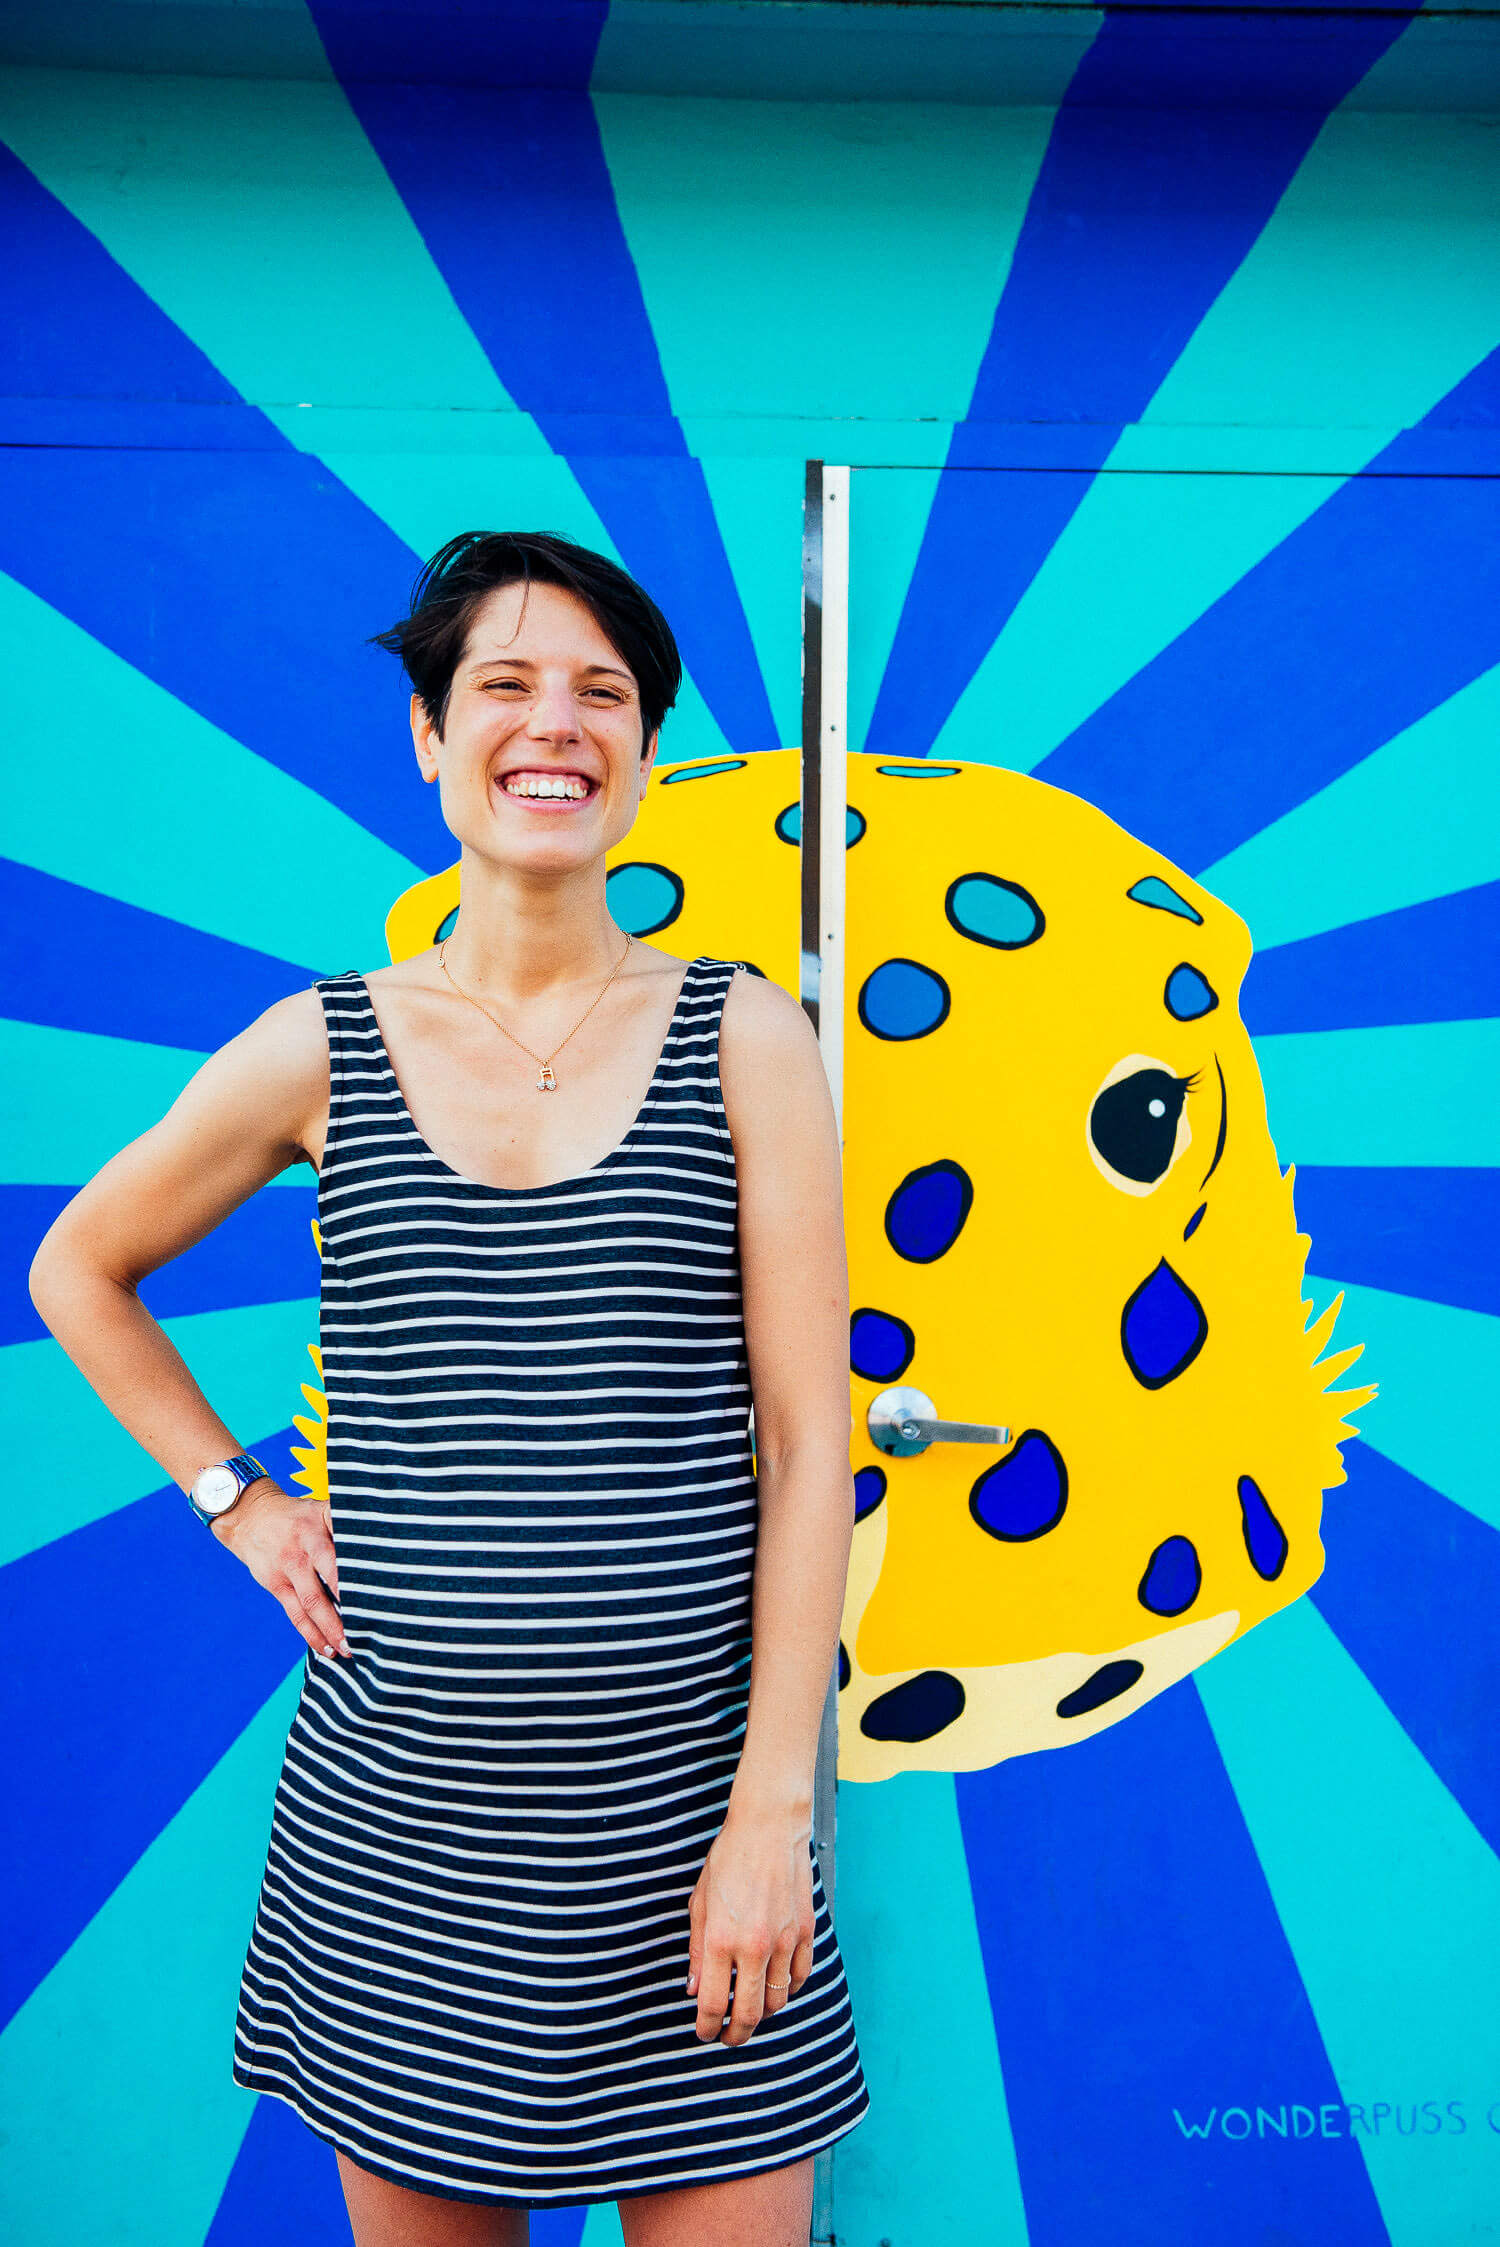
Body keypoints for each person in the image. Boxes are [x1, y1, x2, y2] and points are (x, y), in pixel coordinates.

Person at [28, 529, 870, 2246]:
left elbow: (807, 1446)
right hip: (405, 1845)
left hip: (698, 1832)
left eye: (603, 695)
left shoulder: (747, 1038)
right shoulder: (317, 1046)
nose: (552, 725)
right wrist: (237, 1499)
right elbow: (79, 1270)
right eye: (504, 684)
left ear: (643, 755)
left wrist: (775, 1809)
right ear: (428, 734)